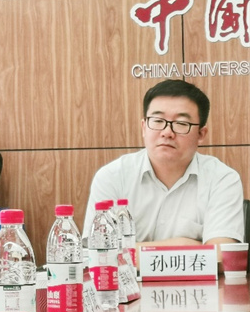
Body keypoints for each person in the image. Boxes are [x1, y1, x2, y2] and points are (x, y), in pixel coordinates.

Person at [83, 79, 243, 260]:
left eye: (181, 123)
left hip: (198, 281)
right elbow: (97, 254)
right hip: (128, 281)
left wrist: (126, 252)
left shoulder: (222, 179)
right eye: (158, 121)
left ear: (201, 134)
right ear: (144, 127)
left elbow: (221, 256)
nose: (167, 132)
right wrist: (183, 245)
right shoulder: (112, 177)